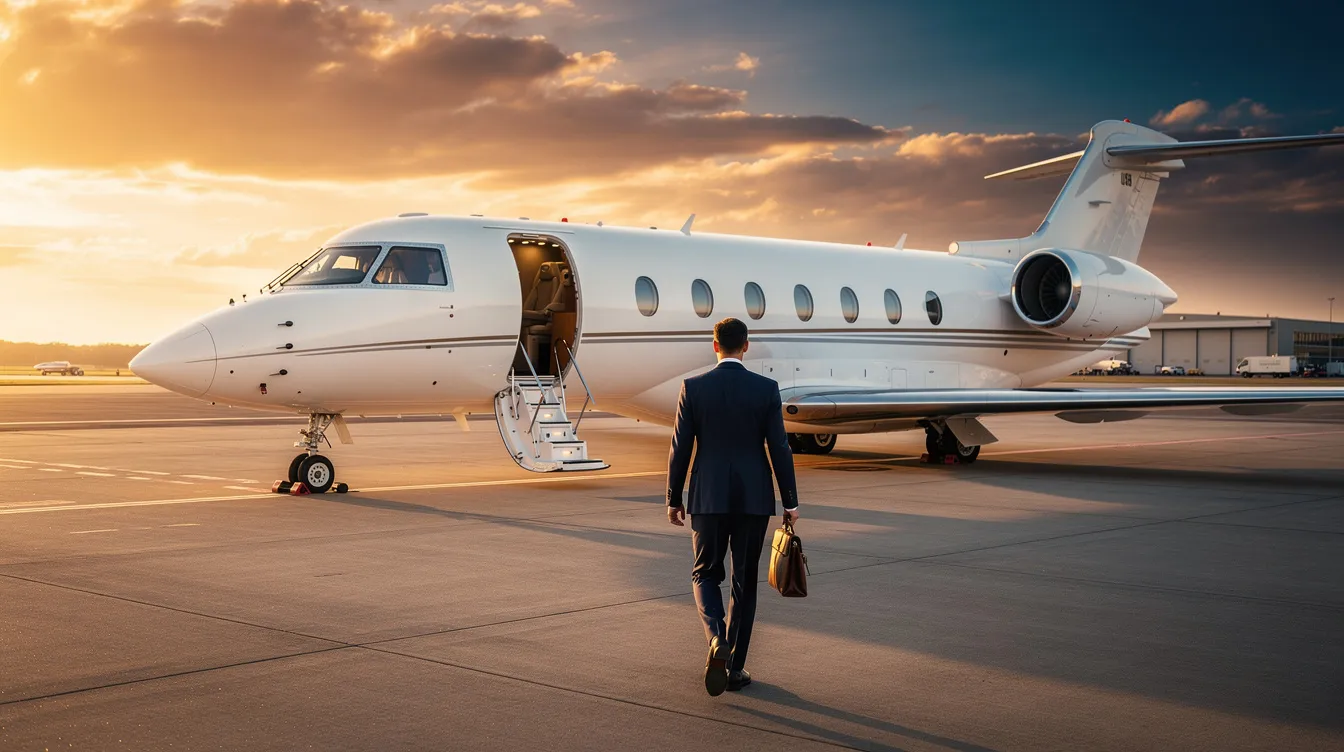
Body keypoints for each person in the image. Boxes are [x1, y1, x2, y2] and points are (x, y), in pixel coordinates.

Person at [666, 317, 799, 696]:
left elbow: (681, 448)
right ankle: (735, 667)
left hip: (708, 497)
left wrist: (674, 498)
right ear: (746, 346)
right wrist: (790, 501)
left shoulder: (693, 388)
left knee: (705, 574)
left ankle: (715, 639)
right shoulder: (766, 389)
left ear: (714, 345)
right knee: (744, 581)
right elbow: (779, 449)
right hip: (754, 498)